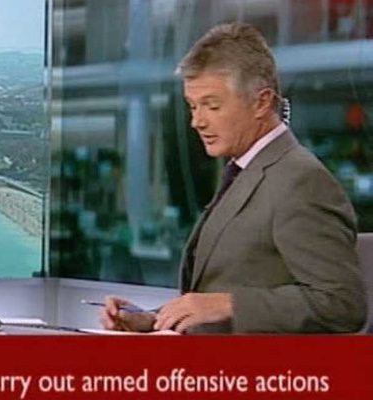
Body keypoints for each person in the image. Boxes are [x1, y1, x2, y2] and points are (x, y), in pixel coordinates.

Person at [102, 22, 366, 333]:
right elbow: (216, 296)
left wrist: (229, 304)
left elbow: (342, 304)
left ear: (261, 102)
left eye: (212, 106)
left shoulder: (301, 181)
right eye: (193, 107)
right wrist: (153, 320)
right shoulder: (244, 170)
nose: (196, 121)